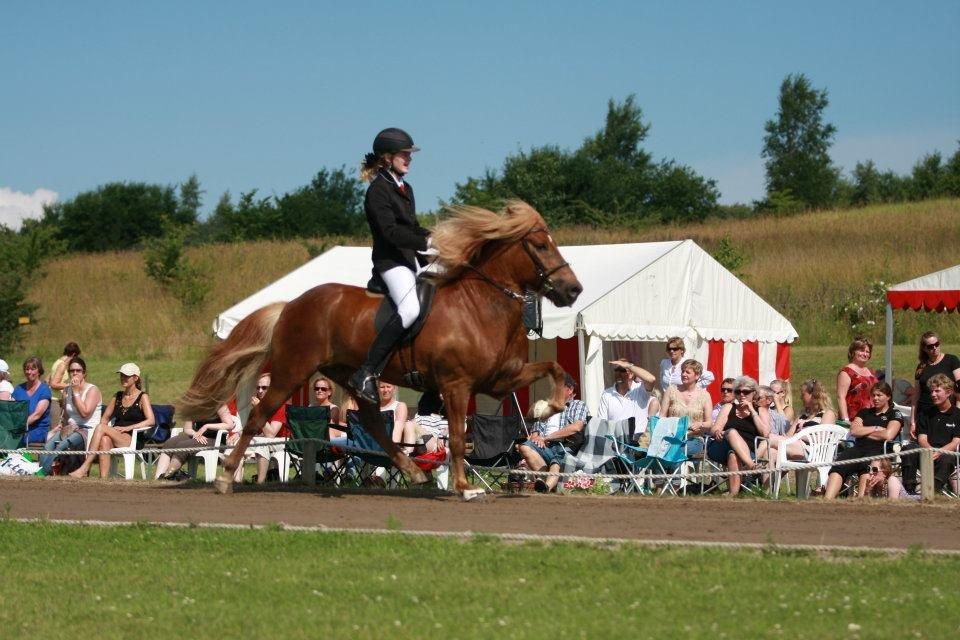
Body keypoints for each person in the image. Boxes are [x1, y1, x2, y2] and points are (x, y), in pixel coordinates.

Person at [348, 127, 432, 404]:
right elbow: (391, 233)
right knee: (409, 310)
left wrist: (437, 239)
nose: (409, 158)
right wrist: (426, 242)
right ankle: (366, 371)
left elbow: (413, 228)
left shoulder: (405, 188)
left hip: (410, 259)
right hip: (391, 262)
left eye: (410, 154)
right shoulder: (378, 191)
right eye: (404, 154)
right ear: (387, 157)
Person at [70, 363, 155, 479]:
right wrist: (104, 432)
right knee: (104, 439)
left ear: (135, 378)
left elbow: (151, 420)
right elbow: (105, 418)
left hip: (131, 437)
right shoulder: (118, 396)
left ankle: (85, 467)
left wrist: (129, 428)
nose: (123, 378)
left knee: (100, 427)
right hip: (116, 434)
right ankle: (103, 479)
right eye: (121, 375)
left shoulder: (142, 397)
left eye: (126, 376)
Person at [823, 382, 902, 499]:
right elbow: (854, 431)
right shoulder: (864, 412)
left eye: (879, 395)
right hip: (858, 448)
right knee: (840, 464)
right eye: (873, 395)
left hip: (880, 450)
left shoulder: (894, 413)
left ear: (888, 397)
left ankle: (862, 500)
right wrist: (875, 428)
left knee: (868, 465)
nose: (875, 398)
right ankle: (827, 500)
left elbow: (888, 435)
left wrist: (864, 432)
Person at [517, 373, 589, 493]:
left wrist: (546, 438)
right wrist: (537, 439)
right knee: (524, 446)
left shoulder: (578, 405)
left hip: (565, 446)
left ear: (570, 389)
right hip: (545, 447)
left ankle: (547, 486)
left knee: (557, 460)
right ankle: (547, 482)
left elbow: (576, 427)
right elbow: (535, 433)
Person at [708, 376, 770, 496]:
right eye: (738, 391)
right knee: (731, 432)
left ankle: (733, 494)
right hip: (722, 446)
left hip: (748, 450)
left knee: (733, 454)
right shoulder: (728, 407)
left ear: (754, 393)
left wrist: (752, 410)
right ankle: (751, 465)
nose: (741, 394)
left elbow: (765, 434)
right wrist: (717, 432)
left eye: (746, 392)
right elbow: (715, 428)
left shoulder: (761, 411)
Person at [40, 356, 102, 475]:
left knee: (61, 447)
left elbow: (84, 413)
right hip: (71, 428)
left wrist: (76, 392)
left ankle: (42, 474)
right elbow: (67, 415)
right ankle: (44, 472)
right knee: (48, 447)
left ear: (84, 373)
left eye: (78, 371)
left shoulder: (92, 390)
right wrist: (60, 428)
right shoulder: (67, 389)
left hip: (87, 430)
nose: (75, 373)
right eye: (72, 371)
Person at [900, 374, 960, 494]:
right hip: (926, 452)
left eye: (937, 391)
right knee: (908, 448)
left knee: (948, 457)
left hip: (946, 455)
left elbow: (956, 442)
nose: (933, 394)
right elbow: (922, 439)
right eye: (931, 391)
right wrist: (931, 451)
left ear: (948, 392)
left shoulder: (957, 415)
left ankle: (932, 492)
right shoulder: (925, 414)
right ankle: (909, 490)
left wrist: (939, 452)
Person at [763, 378, 838, 471]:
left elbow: (822, 439)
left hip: (812, 451)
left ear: (813, 395)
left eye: (803, 394)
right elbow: (789, 435)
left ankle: (751, 465)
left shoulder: (827, 414)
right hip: (796, 446)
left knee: (770, 438)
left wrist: (799, 436)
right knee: (769, 452)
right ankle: (767, 485)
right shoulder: (803, 414)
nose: (801, 397)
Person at [155, 404, 236, 481]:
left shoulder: (219, 404)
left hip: (215, 440)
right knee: (170, 443)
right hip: (198, 437)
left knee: (183, 445)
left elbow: (229, 425)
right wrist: (195, 434)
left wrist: (207, 426)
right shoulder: (194, 404)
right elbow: (187, 429)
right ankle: (158, 477)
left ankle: (168, 476)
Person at [909, 331, 960, 441]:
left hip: (946, 413)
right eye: (930, 346)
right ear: (924, 349)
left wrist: (957, 413)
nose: (935, 348)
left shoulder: (951, 360)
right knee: (923, 447)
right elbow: (916, 396)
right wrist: (913, 421)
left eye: (937, 344)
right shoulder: (921, 366)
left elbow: (959, 388)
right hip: (925, 415)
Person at [659, 359, 713, 456]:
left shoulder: (705, 395)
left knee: (676, 452)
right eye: (682, 371)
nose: (683, 374)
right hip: (672, 437)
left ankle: (673, 470)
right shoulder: (671, 390)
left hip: (694, 439)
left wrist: (700, 424)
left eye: (687, 372)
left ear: (697, 376)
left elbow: (709, 423)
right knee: (668, 451)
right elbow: (662, 416)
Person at [248, 373, 291, 484]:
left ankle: (260, 483)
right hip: (265, 439)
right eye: (258, 387)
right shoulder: (258, 406)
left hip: (284, 441)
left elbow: (271, 434)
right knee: (237, 442)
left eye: (264, 388)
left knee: (261, 443)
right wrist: (238, 435)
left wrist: (259, 410)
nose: (260, 391)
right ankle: (234, 482)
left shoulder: (280, 405)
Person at [599, 359, 657, 438]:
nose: (618, 373)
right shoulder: (607, 394)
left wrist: (629, 366)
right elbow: (602, 422)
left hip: (638, 441)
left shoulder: (640, 389)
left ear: (631, 374)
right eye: (616, 370)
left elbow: (651, 379)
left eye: (622, 370)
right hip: (617, 441)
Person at [836, 337, 878, 424]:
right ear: (853, 352)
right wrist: (845, 420)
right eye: (862, 350)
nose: (865, 354)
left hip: (871, 417)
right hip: (853, 419)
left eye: (867, 352)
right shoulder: (846, 372)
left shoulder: (872, 372)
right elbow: (841, 397)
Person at [12, 356, 52, 445]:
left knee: (13, 439)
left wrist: (19, 427)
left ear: (39, 371)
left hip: (37, 430)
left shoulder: (44, 390)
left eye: (33, 369)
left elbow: (37, 415)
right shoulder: (18, 389)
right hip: (17, 429)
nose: (29, 372)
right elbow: (11, 410)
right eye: (27, 369)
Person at [46, 342, 81, 432]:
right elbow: (53, 384)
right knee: (55, 430)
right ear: (73, 355)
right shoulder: (62, 365)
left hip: (57, 399)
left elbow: (47, 380)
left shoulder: (57, 362)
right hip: (55, 401)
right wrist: (70, 385)